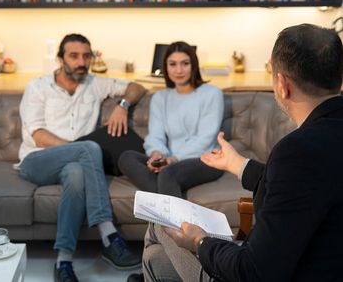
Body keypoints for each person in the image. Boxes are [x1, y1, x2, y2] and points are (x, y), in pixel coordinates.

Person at [136, 23, 343, 282]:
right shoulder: (318, 144)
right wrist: (240, 165)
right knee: (155, 259)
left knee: (159, 225)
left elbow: (254, 271)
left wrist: (200, 241)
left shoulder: (296, 150)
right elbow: (311, 183)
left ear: (282, 85)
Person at [18, 33, 146, 282]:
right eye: (74, 56)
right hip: (37, 160)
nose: (81, 61)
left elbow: (137, 87)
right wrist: (78, 148)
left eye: (86, 56)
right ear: (60, 59)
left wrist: (122, 105)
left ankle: (63, 261)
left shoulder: (95, 83)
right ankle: (109, 235)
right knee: (88, 149)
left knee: (76, 174)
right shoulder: (38, 87)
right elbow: (37, 135)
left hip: (74, 163)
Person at [118, 41, 224, 198]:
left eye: (185, 64)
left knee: (167, 175)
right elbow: (155, 135)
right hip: (169, 161)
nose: (179, 70)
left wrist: (173, 160)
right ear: (166, 68)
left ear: (193, 65)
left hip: (206, 159)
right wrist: (157, 155)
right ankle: (166, 199)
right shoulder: (160, 98)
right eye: (172, 64)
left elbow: (206, 138)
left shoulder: (212, 94)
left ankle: (168, 219)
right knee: (126, 158)